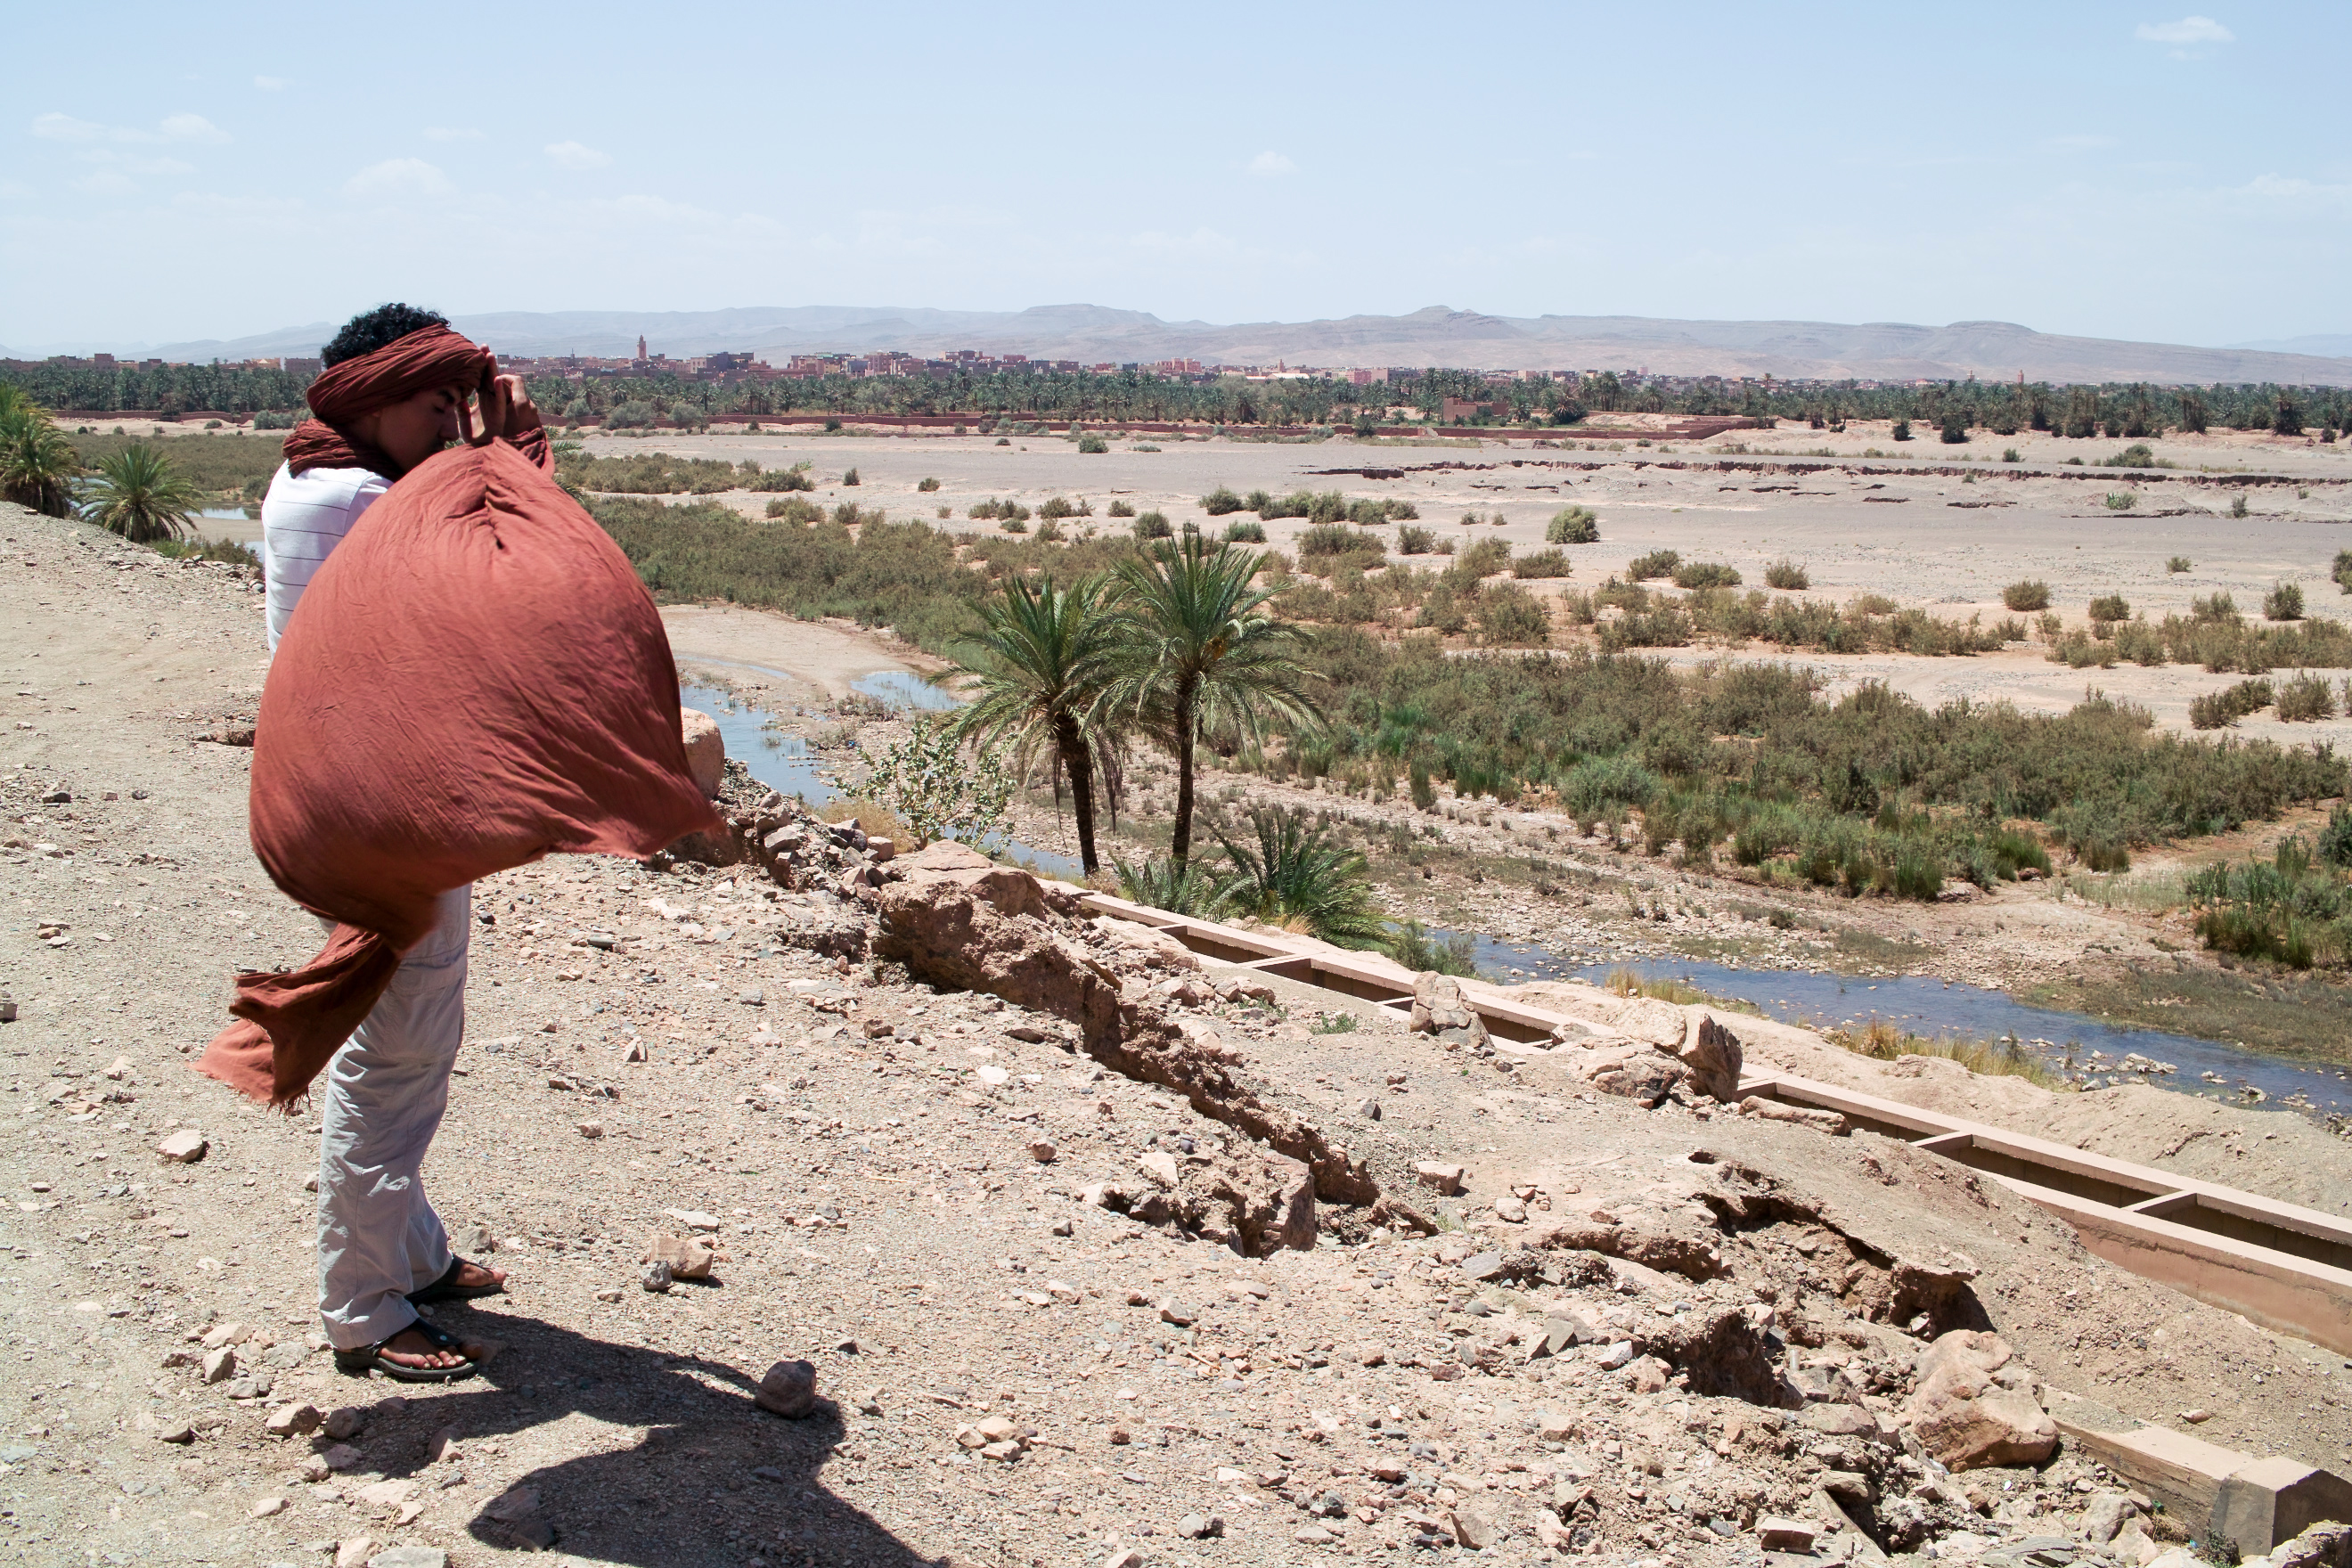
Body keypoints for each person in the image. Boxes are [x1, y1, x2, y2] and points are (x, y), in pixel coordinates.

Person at [259, 303, 536, 1382]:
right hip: (383, 819)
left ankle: (410, 1253)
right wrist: (508, 457)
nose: (450, 422)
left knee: (409, 1040)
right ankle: (366, 1305)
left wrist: (476, 450)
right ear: (371, 396)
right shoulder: (369, 497)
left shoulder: (305, 478)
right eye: (434, 404)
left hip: (355, 800)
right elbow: (508, 579)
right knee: (395, 1058)